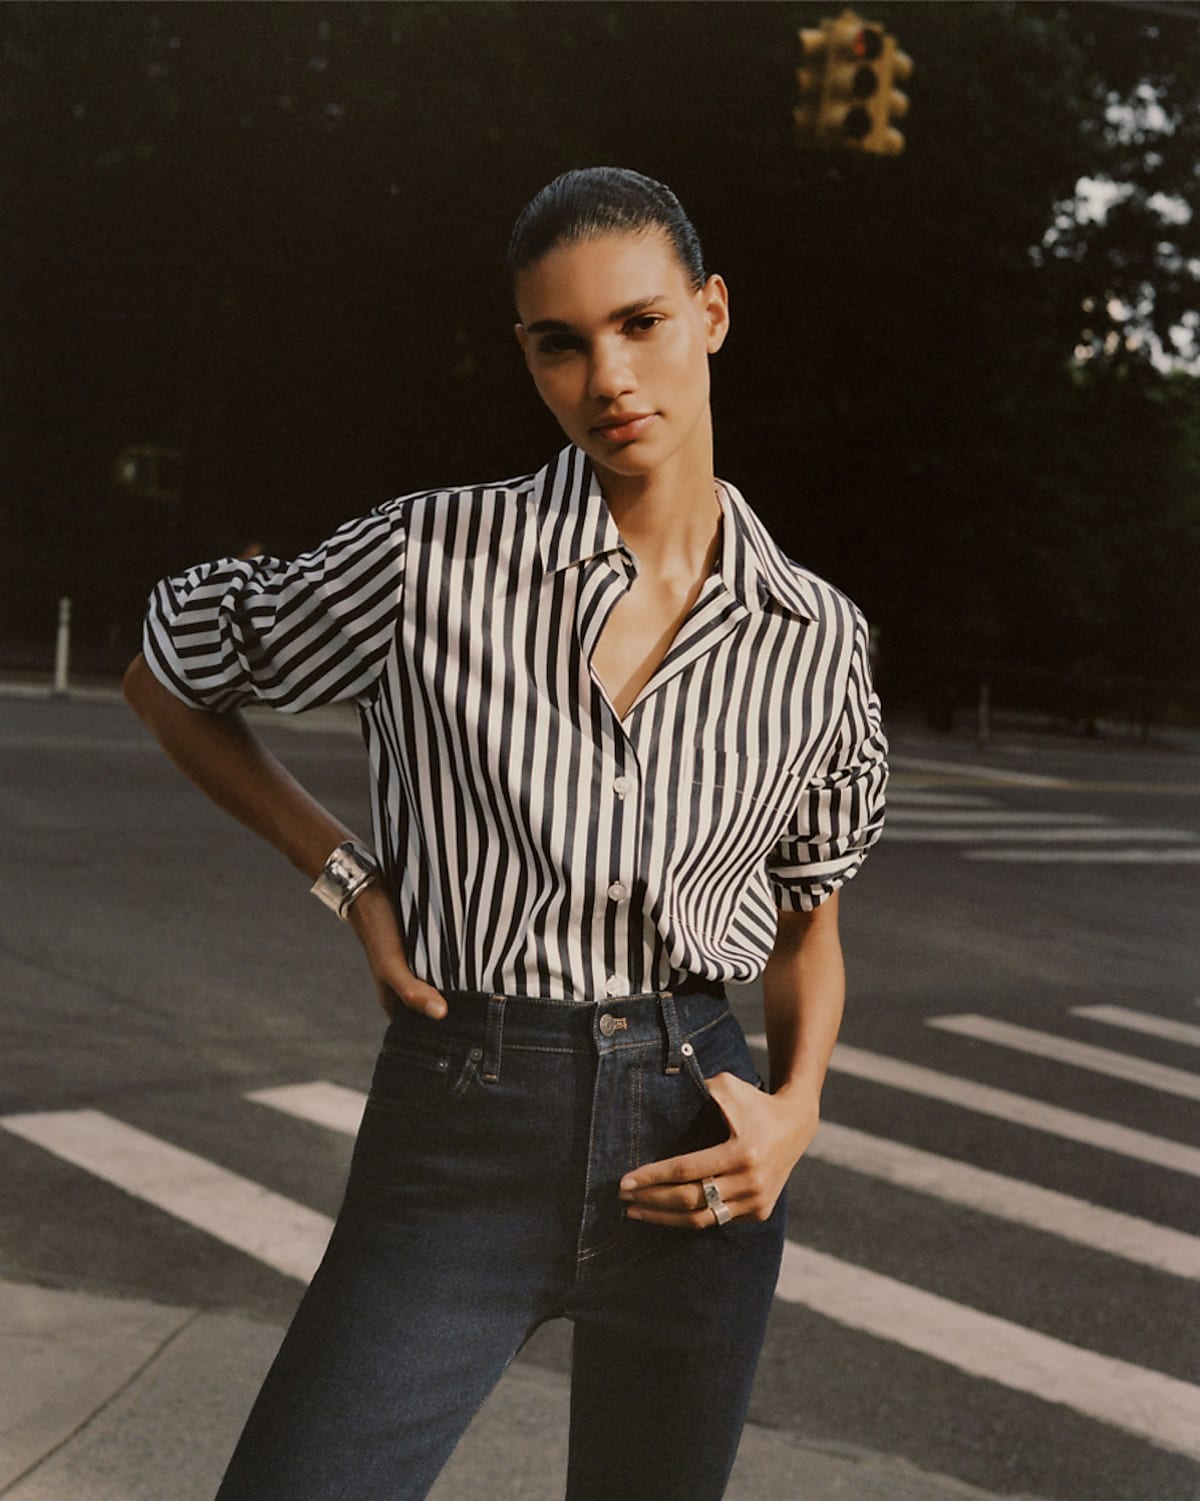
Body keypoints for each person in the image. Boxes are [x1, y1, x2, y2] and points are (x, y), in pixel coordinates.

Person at [124, 166, 887, 1501]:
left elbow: (812, 922)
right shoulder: (431, 562)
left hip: (696, 1130)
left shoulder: (816, 638)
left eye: (641, 322)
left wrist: (796, 1110)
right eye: (561, 342)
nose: (607, 376)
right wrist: (350, 876)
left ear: (710, 314)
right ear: (528, 354)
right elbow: (167, 668)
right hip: (464, 1120)